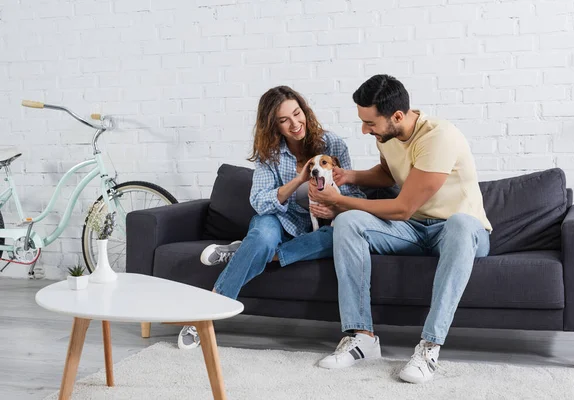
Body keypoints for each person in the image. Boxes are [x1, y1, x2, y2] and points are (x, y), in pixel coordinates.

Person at [309, 74, 492, 383]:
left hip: (459, 231)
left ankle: (429, 347)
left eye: (370, 123)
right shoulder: (388, 136)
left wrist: (340, 202)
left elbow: (402, 207)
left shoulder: (439, 137)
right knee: (349, 223)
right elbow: (387, 174)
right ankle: (362, 338)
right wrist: (348, 177)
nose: (365, 130)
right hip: (414, 229)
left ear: (397, 116)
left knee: (460, 223)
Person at [178, 85, 365, 350]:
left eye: (297, 113)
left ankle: (245, 252)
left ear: (305, 110)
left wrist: (335, 210)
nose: (295, 124)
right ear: (273, 125)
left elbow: (353, 193)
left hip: (319, 229)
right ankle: (204, 317)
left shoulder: (332, 144)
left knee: (339, 236)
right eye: (284, 120)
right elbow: (259, 201)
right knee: (263, 236)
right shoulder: (270, 153)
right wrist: (298, 180)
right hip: (279, 219)